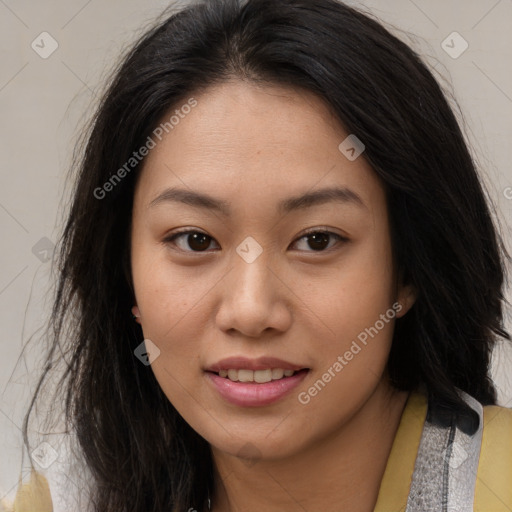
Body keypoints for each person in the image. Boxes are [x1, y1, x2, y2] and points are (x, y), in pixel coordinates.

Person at [12, 0, 512, 510]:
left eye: (317, 240)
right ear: (126, 273)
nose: (250, 312)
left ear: (408, 270)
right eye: (195, 240)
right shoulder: (65, 500)